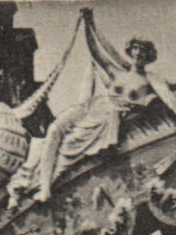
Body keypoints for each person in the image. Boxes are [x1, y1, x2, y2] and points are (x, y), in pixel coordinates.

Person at [26, 10, 159, 202]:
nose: (138, 53)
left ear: (148, 56)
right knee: (54, 129)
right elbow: (96, 52)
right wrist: (89, 25)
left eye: (143, 50)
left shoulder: (149, 81)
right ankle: (42, 184)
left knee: (69, 146)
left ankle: (45, 187)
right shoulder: (117, 72)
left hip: (106, 118)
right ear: (130, 50)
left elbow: (170, 89)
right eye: (136, 48)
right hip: (93, 106)